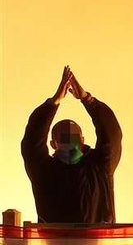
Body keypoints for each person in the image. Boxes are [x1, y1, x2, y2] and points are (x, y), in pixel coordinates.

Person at [21, 66, 122, 223]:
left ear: (82, 139)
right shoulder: (44, 170)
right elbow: (31, 143)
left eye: (72, 136)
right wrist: (53, 102)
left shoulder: (99, 167)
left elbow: (112, 134)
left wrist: (88, 100)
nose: (69, 141)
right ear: (53, 143)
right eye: (64, 137)